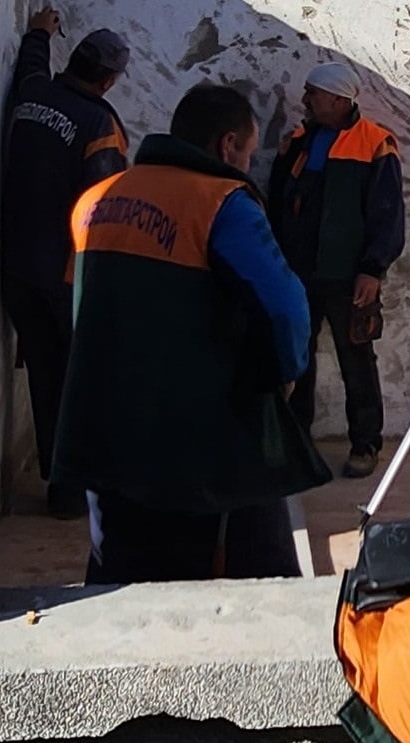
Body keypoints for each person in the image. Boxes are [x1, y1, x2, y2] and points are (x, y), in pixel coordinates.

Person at [52, 83, 330, 582]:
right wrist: (283, 376)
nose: (245, 163)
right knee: (244, 584)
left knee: (119, 575)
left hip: (106, 429)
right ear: (227, 146)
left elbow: (80, 309)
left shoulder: (93, 202)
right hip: (197, 442)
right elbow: (286, 309)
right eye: (246, 151)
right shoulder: (222, 201)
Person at [0, 9, 130, 519]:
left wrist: (38, 33)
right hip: (67, 278)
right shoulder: (100, 124)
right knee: (83, 382)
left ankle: (61, 483)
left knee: (46, 379)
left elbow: (31, 68)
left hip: (17, 269)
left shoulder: (33, 96)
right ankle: (74, 492)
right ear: (108, 80)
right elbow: (106, 205)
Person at [268, 60, 405, 479]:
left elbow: (387, 214)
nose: (305, 100)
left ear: (338, 99)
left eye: (313, 93)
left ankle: (365, 444)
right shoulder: (297, 141)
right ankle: (296, 444)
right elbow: (277, 202)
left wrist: (372, 269)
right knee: (296, 359)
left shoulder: (377, 144)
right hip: (298, 273)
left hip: (349, 277)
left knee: (357, 360)